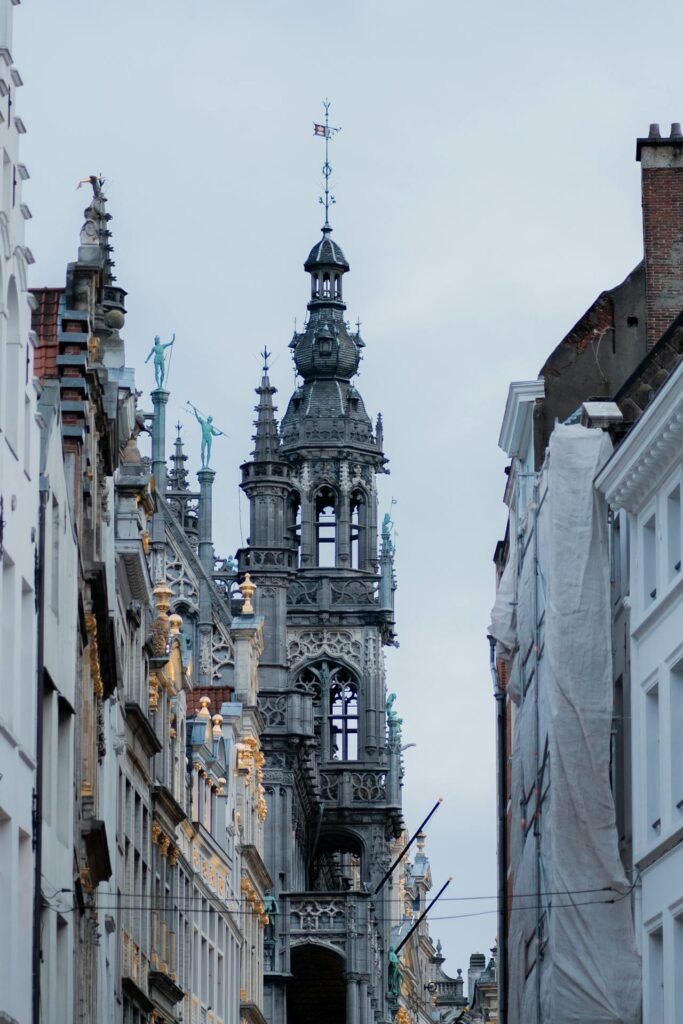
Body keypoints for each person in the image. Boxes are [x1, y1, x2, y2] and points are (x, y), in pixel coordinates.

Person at [188, 402, 224, 468]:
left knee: (209, 451)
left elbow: (214, 434)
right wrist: (195, 410)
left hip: (209, 438)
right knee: (202, 451)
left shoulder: (211, 426)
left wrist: (219, 434)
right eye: (209, 417)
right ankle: (203, 464)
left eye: (210, 418)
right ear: (208, 419)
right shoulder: (203, 422)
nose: (209, 418)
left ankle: (207, 464)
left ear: (211, 420)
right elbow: (197, 417)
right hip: (204, 438)